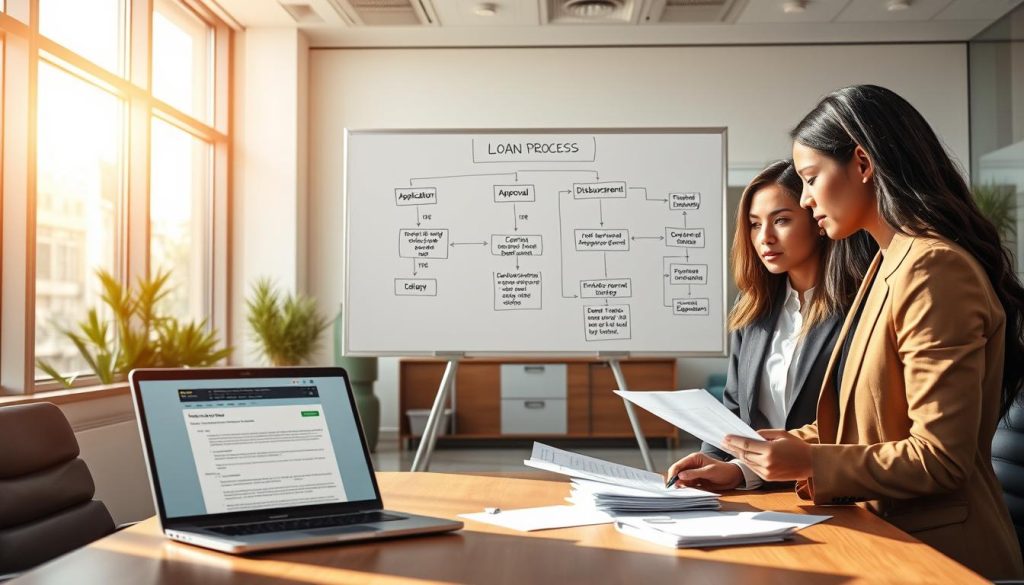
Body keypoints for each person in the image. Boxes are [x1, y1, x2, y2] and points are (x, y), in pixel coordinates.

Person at [721, 85, 1024, 579]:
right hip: (884, 538)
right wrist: (753, 461)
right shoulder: (887, 265)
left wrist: (809, 462)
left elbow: (940, 459)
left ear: (862, 164)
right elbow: (861, 424)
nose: (805, 199)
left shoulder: (932, 269)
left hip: (941, 557)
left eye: (811, 178)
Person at [665, 159, 871, 491]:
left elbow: (857, 423)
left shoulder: (860, 306)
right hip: (762, 497)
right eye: (754, 224)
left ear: (817, 220)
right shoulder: (752, 306)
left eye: (781, 220)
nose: (765, 237)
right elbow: (734, 408)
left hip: (833, 491)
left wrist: (744, 470)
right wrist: (710, 466)